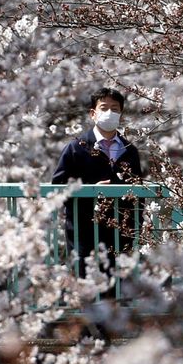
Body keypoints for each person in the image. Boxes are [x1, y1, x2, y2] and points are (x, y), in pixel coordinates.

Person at [52, 87, 143, 282]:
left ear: (121, 114)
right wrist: (89, 189)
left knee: (118, 291)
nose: (110, 113)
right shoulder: (77, 148)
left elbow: (138, 189)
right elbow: (58, 185)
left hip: (120, 232)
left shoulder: (129, 150)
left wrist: (137, 226)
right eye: (104, 107)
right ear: (93, 113)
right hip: (83, 231)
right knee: (87, 287)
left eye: (115, 108)